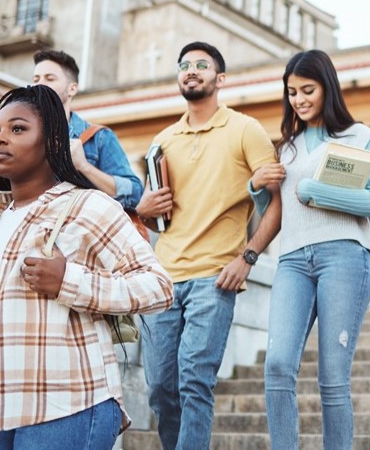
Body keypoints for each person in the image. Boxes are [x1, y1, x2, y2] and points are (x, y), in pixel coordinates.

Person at [0, 85, 173, 449]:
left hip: (65, 397)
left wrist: (68, 281)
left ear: (52, 141)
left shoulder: (87, 206)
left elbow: (158, 287)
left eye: (17, 129)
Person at [135, 41, 283, 450]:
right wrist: (143, 209)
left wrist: (248, 258)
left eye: (202, 65)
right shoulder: (163, 140)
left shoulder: (245, 130)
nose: (191, 70)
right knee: (161, 388)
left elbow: (275, 205)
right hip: (163, 279)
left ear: (220, 79)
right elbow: (154, 214)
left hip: (214, 279)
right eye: (184, 65)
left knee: (194, 381)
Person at [260, 50, 370, 449]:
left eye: (307, 90)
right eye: (292, 92)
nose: (299, 99)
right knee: (277, 366)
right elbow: (280, 211)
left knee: (332, 379)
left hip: (344, 257)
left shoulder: (357, 137)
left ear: (327, 87)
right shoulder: (287, 147)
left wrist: (318, 192)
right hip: (293, 260)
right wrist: (257, 188)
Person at [32, 49, 142, 212]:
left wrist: (84, 166)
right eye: (36, 79)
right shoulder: (24, 135)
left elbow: (136, 194)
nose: (40, 84)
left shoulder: (98, 138)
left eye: (49, 78)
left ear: (72, 89)